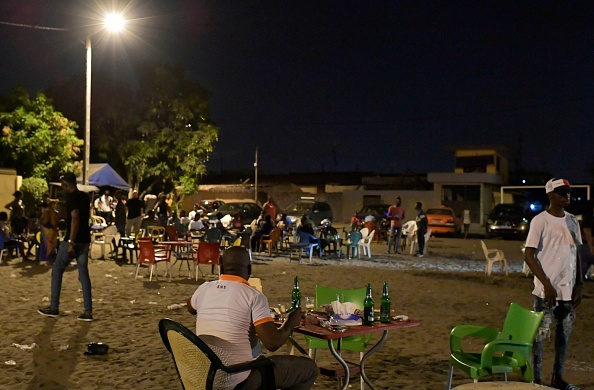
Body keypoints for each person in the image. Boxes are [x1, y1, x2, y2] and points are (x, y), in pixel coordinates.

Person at [186, 247, 318, 389]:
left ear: (221, 267)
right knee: (310, 369)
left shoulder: (204, 289)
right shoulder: (253, 296)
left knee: (255, 349)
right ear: (249, 270)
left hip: (206, 375)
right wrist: (290, 323)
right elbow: (272, 344)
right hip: (237, 378)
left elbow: (191, 308)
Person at [524, 178, 583, 389]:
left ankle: (557, 378)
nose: (566, 196)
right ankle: (536, 381)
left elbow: (577, 252)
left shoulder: (573, 221)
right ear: (550, 195)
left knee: (563, 338)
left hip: (567, 291)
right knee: (539, 338)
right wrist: (546, 284)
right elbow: (529, 255)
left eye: (568, 192)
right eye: (561, 193)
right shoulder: (540, 221)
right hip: (545, 292)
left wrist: (580, 283)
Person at [38, 172, 93, 321]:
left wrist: (70, 241)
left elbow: (75, 218)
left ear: (66, 184)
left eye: (63, 185)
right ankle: (88, 311)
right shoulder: (84, 196)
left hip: (73, 240)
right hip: (85, 240)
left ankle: (54, 307)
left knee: (57, 270)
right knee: (83, 275)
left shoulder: (71, 197)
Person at [5, 190, 28, 258]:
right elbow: (7, 206)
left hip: (21, 216)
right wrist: (12, 210)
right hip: (15, 217)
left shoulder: (20, 202)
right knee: (14, 231)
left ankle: (21, 245)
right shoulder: (15, 202)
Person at [38, 198, 60, 266]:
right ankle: (45, 259)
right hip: (46, 230)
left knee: (52, 245)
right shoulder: (46, 212)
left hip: (53, 230)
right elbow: (42, 221)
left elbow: (57, 221)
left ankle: (50, 259)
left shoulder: (56, 212)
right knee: (46, 245)